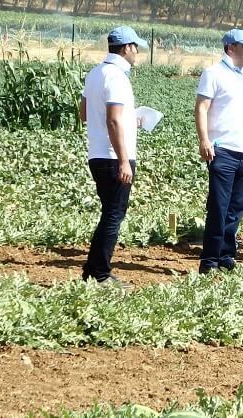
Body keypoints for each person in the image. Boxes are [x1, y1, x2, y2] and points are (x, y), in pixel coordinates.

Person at [79, 26, 149, 288]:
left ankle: (92, 270)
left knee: (109, 212)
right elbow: (112, 120)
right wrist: (123, 160)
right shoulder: (117, 77)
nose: (137, 52)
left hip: (97, 154)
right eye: (135, 47)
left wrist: (130, 120)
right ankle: (100, 274)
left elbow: (84, 113)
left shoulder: (95, 73)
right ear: (126, 48)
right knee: (113, 215)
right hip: (113, 156)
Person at [195, 29, 243, 274]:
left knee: (237, 207)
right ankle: (209, 260)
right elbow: (201, 108)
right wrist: (204, 139)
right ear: (231, 48)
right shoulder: (213, 73)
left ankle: (226, 255)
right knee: (219, 207)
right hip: (222, 150)